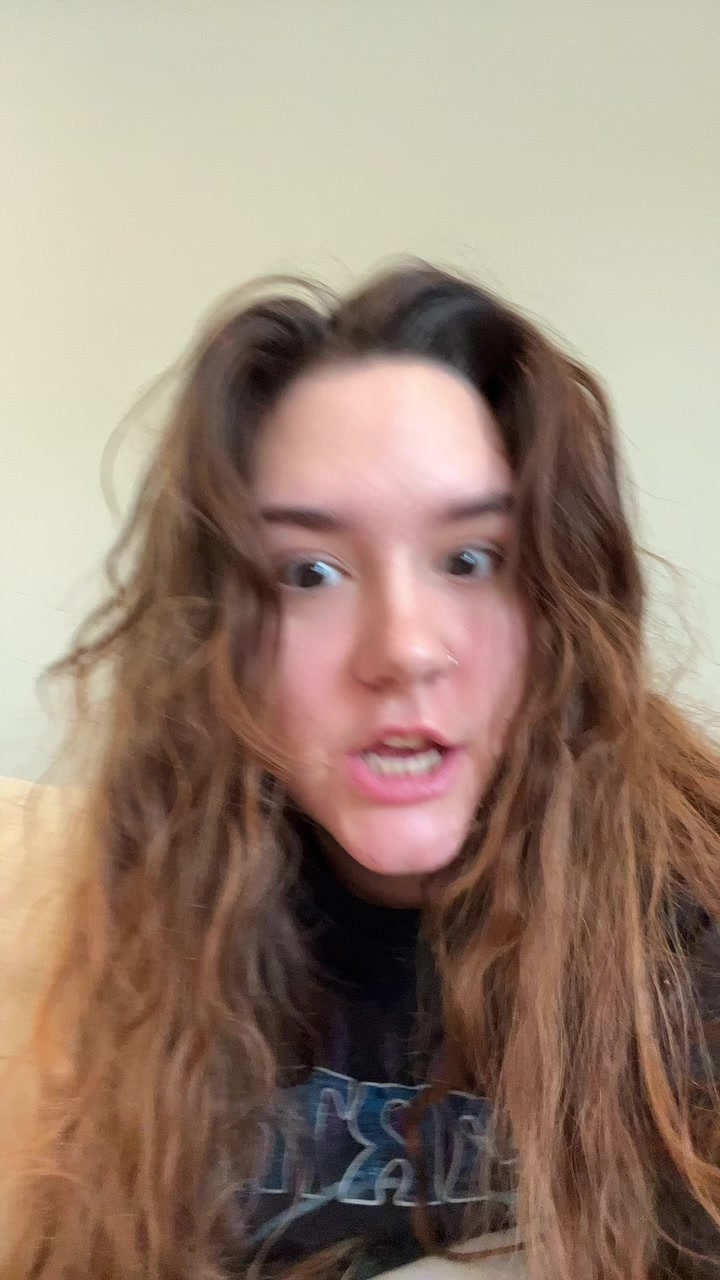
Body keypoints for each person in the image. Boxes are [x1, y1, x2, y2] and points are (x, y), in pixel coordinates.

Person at [5, 263, 720, 1280]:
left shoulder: (691, 910)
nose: (403, 648)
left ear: (564, 607)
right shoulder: (167, 895)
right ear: (218, 639)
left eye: (472, 558)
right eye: (310, 573)